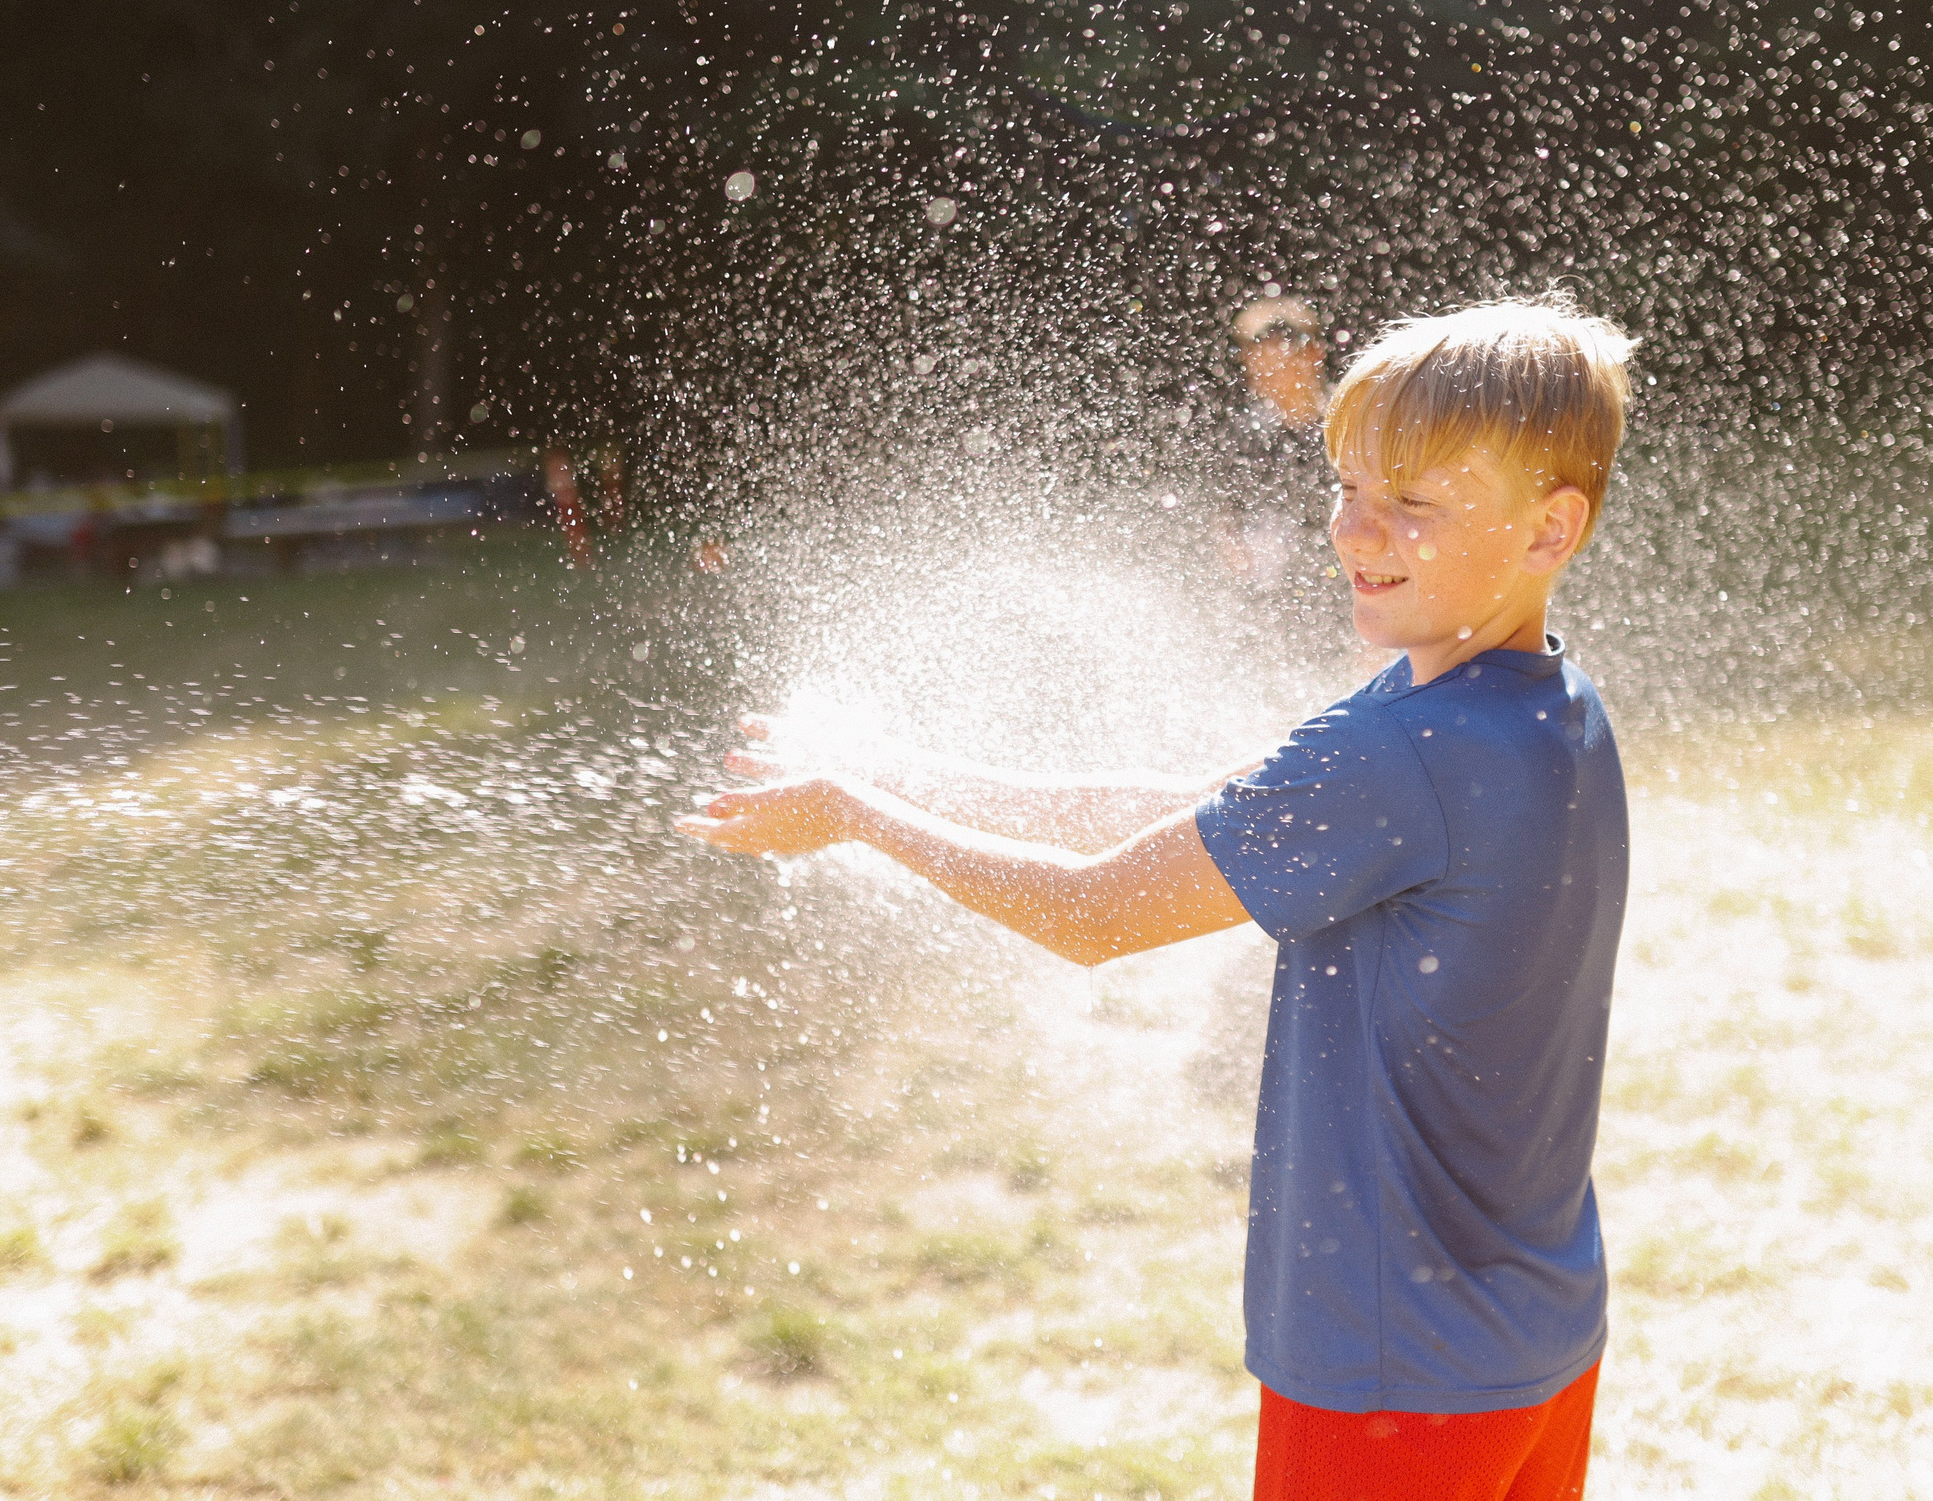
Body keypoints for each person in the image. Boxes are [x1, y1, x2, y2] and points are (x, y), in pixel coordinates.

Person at [681, 296, 1636, 1501]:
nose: (1359, 530)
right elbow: (1180, 808)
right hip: (1531, 1334)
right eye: (1348, 486)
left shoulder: (1396, 751)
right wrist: (888, 774)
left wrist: (857, 821)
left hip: (1396, 1370)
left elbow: (1093, 910)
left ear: (1550, 529)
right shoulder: (1544, 705)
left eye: (1416, 503)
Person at [1215, 295, 1331, 596]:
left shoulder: (1345, 427)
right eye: (1248, 355)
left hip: (1335, 590)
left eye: (1266, 356)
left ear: (1312, 353)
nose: (1253, 367)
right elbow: (1227, 514)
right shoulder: (1246, 434)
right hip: (1270, 593)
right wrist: (1235, 556)